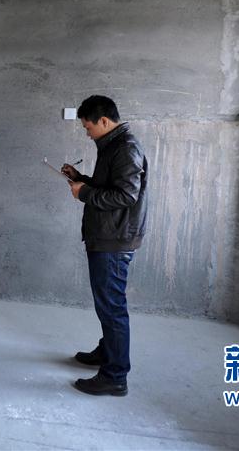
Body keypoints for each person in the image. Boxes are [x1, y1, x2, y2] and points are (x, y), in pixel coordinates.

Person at [60, 95, 148, 397]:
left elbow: (126, 196)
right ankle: (108, 352)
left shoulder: (126, 149)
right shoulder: (113, 146)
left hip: (114, 239)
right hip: (109, 235)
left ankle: (115, 375)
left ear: (104, 121)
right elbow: (111, 187)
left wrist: (84, 194)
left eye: (88, 127)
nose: (87, 133)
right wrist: (81, 178)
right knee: (107, 304)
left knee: (112, 306)